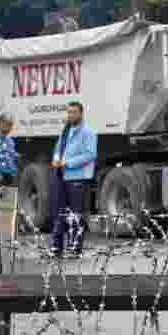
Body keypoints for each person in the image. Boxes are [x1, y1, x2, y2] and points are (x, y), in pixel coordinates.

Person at [50, 101, 97, 258]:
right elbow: (58, 149)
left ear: (81, 114)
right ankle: (57, 248)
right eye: (69, 112)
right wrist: (56, 158)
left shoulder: (88, 132)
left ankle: (74, 249)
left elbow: (90, 154)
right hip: (61, 176)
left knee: (76, 215)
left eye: (74, 112)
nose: (71, 115)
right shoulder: (65, 131)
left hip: (78, 178)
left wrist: (68, 163)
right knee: (60, 213)